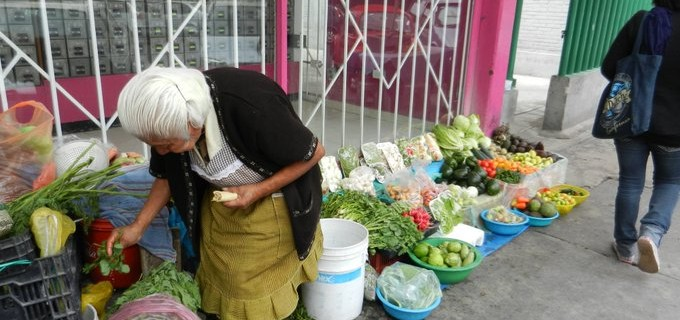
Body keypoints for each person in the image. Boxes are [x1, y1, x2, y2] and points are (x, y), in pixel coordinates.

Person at [106, 66, 325, 319]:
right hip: (224, 205)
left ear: (193, 123)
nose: (162, 151)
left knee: (250, 286)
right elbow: (165, 176)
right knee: (220, 272)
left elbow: (314, 153)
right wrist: (137, 227)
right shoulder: (167, 123)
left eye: (167, 145)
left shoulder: (251, 105)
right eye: (155, 145)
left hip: (272, 201)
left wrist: (257, 190)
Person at [602, 0, 680, 273]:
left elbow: (609, 67)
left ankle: (625, 247)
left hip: (630, 117)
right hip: (675, 129)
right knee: (670, 181)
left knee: (630, 181)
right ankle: (652, 232)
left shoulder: (643, 21)